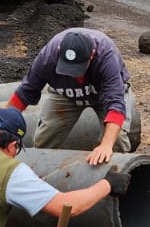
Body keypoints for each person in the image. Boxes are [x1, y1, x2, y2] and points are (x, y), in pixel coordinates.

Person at [8, 28, 134, 166]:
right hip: (66, 95)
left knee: (117, 141)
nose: (74, 75)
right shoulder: (47, 58)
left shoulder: (106, 56)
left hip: (104, 95)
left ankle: (114, 180)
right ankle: (43, 177)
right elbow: (24, 93)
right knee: (45, 139)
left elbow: (116, 105)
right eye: (67, 69)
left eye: (78, 69)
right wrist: (1, 127)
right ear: (60, 52)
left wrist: (106, 145)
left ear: (92, 55)